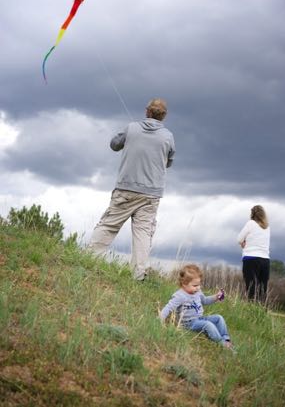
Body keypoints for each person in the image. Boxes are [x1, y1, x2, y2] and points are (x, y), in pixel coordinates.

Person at [89, 98, 175, 281]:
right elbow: (168, 162)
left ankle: (90, 259)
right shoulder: (168, 136)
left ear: (147, 111)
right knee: (143, 234)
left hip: (126, 189)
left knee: (109, 224)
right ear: (164, 116)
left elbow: (114, 145)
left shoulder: (131, 128)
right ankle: (138, 275)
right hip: (151, 194)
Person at [159, 264, 233, 348]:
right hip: (187, 324)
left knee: (218, 318)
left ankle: (226, 339)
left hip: (199, 319)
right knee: (208, 325)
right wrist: (160, 319)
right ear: (184, 284)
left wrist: (216, 297)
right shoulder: (180, 296)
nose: (198, 288)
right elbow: (169, 307)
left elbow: (204, 301)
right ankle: (221, 342)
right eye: (194, 286)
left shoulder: (198, 292)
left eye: (199, 285)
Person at [237, 205, 270, 302]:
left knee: (251, 287)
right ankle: (261, 313)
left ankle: (251, 311)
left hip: (251, 259)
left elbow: (239, 239)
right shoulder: (267, 227)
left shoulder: (250, 223)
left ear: (252, 214)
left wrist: (243, 243)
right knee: (262, 289)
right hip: (265, 260)